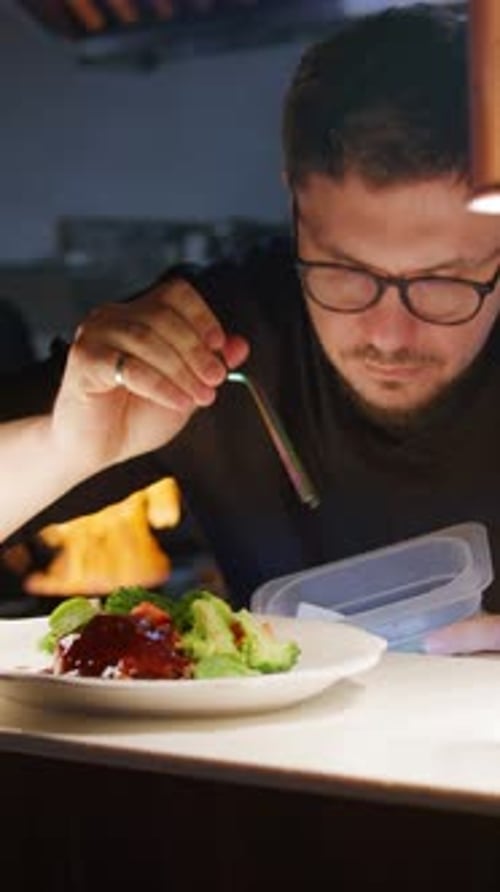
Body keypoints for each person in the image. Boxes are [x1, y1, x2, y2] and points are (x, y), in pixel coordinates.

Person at [3, 3, 500, 654]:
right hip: (266, 751)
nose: (388, 333)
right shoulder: (214, 332)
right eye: (345, 272)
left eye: (443, 280)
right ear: (294, 207)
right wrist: (67, 445)